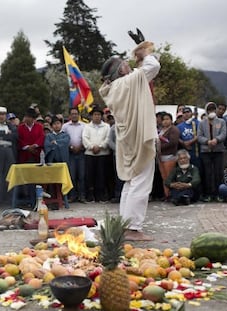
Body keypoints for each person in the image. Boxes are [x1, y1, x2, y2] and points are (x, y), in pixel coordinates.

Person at [99, 41, 160, 241]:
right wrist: (144, 53)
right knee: (141, 182)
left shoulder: (114, 87)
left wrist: (141, 57)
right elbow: (153, 67)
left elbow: (143, 72)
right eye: (125, 64)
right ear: (120, 70)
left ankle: (125, 225)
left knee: (131, 181)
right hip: (138, 137)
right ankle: (133, 228)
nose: (129, 65)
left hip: (127, 139)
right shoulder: (128, 82)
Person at [197, 102, 227, 202]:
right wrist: (207, 141)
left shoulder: (221, 122)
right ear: (206, 111)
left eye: (213, 109)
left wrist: (216, 140)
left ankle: (219, 194)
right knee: (208, 173)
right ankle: (208, 194)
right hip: (206, 151)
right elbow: (199, 136)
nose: (211, 112)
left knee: (218, 173)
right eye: (209, 110)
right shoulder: (202, 123)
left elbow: (223, 134)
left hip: (218, 150)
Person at [82, 106, 110, 202]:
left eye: (98, 115)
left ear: (101, 116)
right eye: (95, 115)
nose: (97, 116)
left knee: (101, 175)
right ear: (91, 116)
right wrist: (92, 147)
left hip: (103, 154)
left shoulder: (106, 126)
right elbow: (84, 138)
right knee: (90, 175)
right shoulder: (87, 126)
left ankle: (100, 196)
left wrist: (100, 146)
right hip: (90, 154)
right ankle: (90, 196)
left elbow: (108, 139)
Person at [62, 107, 86, 203]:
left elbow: (86, 138)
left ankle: (82, 196)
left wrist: (81, 147)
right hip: (70, 153)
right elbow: (63, 139)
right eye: (72, 114)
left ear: (78, 115)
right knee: (72, 176)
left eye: (76, 113)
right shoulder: (65, 126)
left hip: (82, 152)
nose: (74, 115)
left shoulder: (84, 126)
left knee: (82, 176)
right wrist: (71, 147)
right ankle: (72, 196)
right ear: (70, 115)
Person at [158, 112, 180, 199]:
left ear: (171, 120)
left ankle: (172, 194)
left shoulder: (174, 130)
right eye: (163, 119)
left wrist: (160, 147)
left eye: (167, 119)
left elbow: (172, 142)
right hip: (160, 157)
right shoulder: (160, 130)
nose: (165, 121)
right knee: (164, 177)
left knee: (169, 176)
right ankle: (166, 194)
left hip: (170, 156)